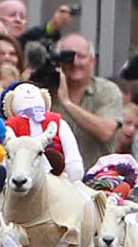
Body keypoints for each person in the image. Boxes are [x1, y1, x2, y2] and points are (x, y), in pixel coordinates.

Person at [51, 32, 123, 169]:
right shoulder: (46, 92)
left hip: (96, 180)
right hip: (56, 182)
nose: (75, 62)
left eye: (81, 56)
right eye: (68, 57)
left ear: (92, 61)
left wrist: (67, 103)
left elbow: (105, 132)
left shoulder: (107, 90)